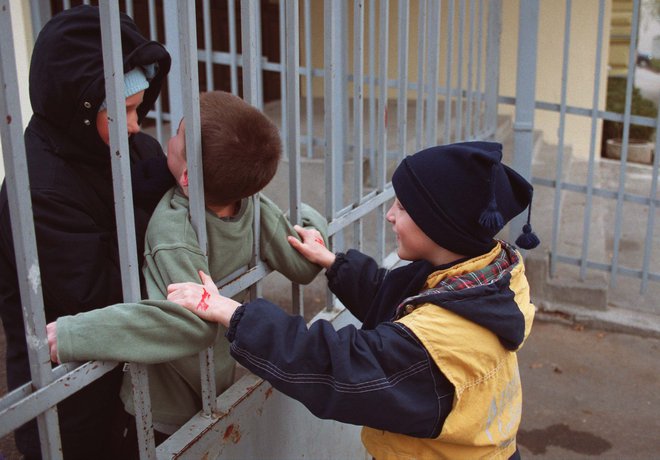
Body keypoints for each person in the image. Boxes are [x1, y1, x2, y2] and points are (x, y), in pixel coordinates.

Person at [167, 141, 540, 459]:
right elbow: (394, 298)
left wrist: (234, 314)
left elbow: (338, 367)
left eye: (405, 208)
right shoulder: (487, 277)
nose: (391, 215)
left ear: (442, 225)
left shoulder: (440, 340)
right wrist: (333, 263)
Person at [46, 90, 328, 454]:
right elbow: (305, 263)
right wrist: (310, 222)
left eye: (178, 134)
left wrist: (74, 333)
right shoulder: (253, 206)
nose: (171, 137)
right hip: (218, 381)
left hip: (162, 405)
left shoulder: (173, 229)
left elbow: (191, 323)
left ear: (187, 180)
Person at [0, 5, 172, 459]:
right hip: (72, 396)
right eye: (125, 111)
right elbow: (102, 292)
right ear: (81, 106)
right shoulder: (40, 191)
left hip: (131, 379)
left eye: (140, 107)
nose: (138, 125)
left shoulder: (131, 147)